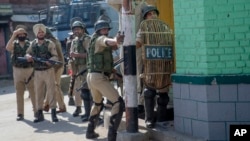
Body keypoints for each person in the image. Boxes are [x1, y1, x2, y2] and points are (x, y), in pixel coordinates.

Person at [85, 20, 125, 141]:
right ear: (98, 31)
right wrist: (116, 40)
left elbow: (104, 59)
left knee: (98, 103)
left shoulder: (95, 42)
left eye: (107, 29)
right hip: (98, 78)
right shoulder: (100, 39)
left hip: (92, 76)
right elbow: (108, 41)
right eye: (103, 29)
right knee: (118, 103)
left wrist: (113, 72)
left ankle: (90, 131)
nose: (106, 31)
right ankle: (112, 136)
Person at [136, 5, 172, 128]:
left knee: (163, 95)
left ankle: (161, 118)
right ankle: (149, 119)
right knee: (148, 93)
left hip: (164, 66)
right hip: (150, 66)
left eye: (154, 13)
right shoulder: (143, 28)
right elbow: (138, 42)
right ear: (145, 17)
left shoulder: (165, 27)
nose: (153, 15)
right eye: (150, 14)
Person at [25, 23, 59, 123]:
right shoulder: (33, 44)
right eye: (39, 32)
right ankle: (39, 114)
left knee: (51, 92)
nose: (40, 33)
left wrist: (51, 60)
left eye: (42, 32)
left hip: (48, 71)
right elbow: (27, 53)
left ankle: (53, 113)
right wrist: (28, 56)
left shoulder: (50, 43)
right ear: (36, 33)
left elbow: (55, 56)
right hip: (37, 72)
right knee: (38, 93)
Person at [6, 25, 36, 121]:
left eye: (23, 34)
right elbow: (7, 48)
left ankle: (36, 112)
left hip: (29, 70)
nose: (21, 35)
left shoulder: (30, 44)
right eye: (19, 34)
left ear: (26, 35)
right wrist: (14, 35)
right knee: (19, 93)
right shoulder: (14, 44)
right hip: (18, 71)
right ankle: (20, 113)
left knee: (33, 92)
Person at [69, 20, 92, 122]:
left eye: (78, 29)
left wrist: (77, 55)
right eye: (74, 30)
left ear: (82, 29)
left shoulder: (87, 39)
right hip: (77, 68)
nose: (76, 31)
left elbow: (91, 55)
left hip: (86, 68)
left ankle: (91, 113)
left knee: (88, 91)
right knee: (79, 91)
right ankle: (82, 110)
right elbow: (72, 54)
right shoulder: (74, 41)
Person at [43, 27, 67, 113]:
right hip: (53, 67)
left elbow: (59, 57)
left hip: (56, 66)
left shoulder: (53, 42)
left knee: (55, 86)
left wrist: (56, 68)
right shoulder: (49, 41)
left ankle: (62, 106)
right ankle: (46, 104)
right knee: (51, 86)